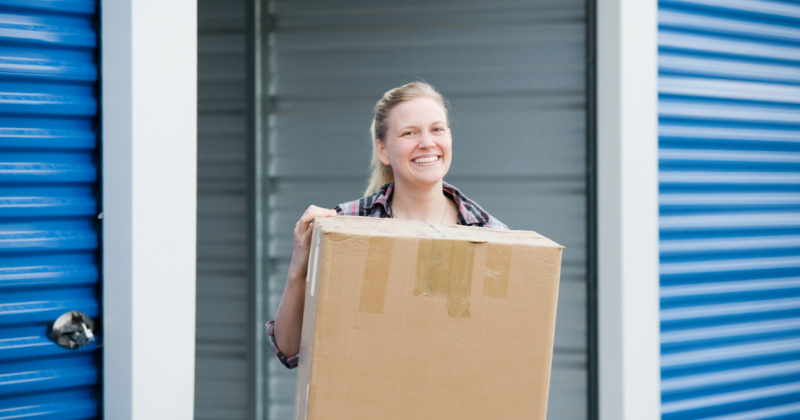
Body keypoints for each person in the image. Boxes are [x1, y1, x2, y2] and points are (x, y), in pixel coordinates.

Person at [266, 82, 508, 369]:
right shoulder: (346, 228)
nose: (427, 143)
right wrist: (299, 267)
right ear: (383, 151)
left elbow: (504, 348)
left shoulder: (492, 236)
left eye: (437, 129)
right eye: (409, 133)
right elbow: (289, 350)